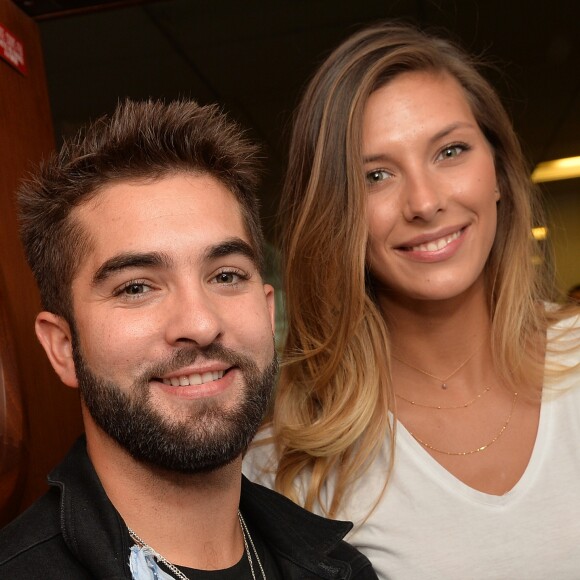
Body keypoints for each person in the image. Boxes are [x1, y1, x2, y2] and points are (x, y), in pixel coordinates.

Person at [244, 22, 580, 579]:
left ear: (497, 170)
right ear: (337, 212)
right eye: (376, 175)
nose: (424, 202)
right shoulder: (287, 458)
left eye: (450, 151)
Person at [0, 99, 377, 580]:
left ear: (268, 310)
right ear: (62, 347)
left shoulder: (340, 568)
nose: (199, 324)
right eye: (136, 287)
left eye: (224, 275)